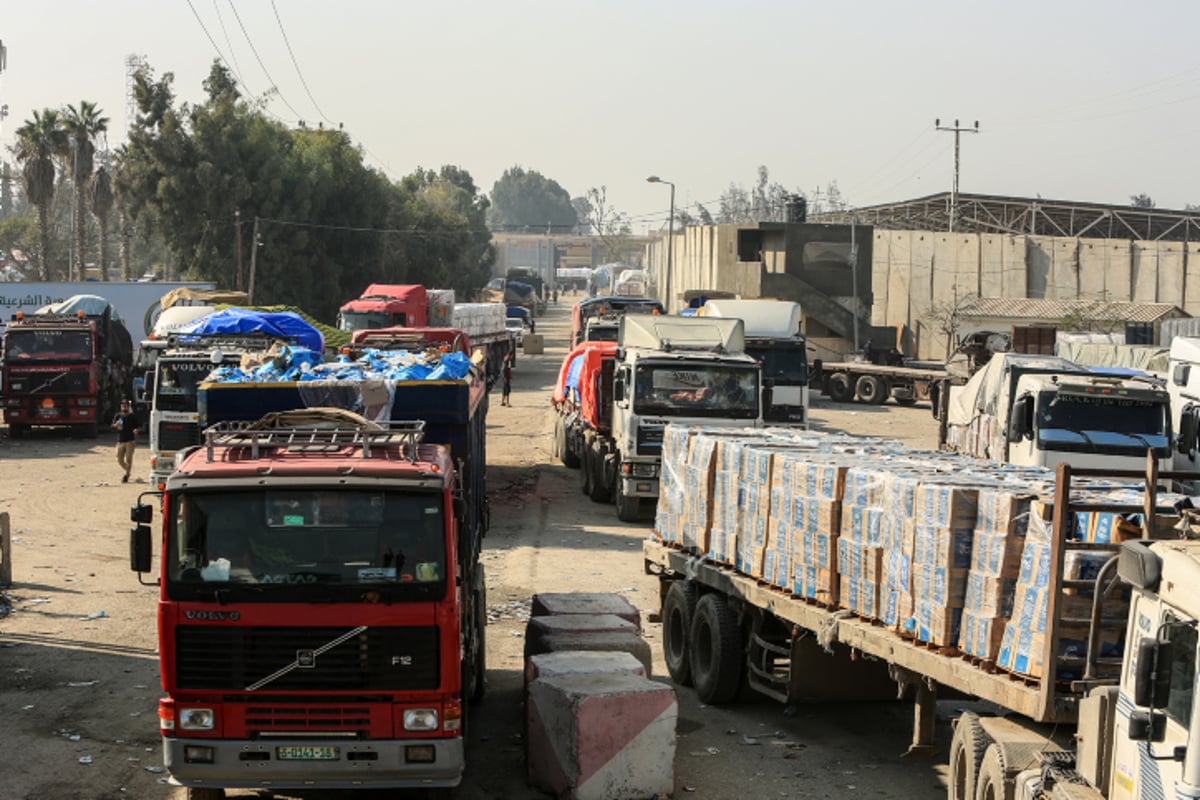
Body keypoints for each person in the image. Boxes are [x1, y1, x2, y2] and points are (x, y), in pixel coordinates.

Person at [112, 399, 140, 483]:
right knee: (119, 459)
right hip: (120, 441)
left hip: (130, 441)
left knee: (128, 459)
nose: (124, 406)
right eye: (122, 405)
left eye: (125, 405)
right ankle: (127, 470)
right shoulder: (118, 416)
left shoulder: (132, 416)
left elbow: (138, 426)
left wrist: (136, 430)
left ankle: (126, 475)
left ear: (128, 406)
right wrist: (115, 425)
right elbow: (112, 426)